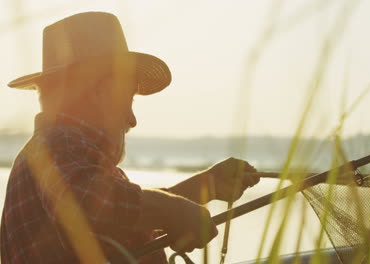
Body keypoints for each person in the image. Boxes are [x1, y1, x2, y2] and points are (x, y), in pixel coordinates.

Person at [0, 12, 259, 263]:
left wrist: (205, 186)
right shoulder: (58, 142)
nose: (132, 120)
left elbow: (120, 212)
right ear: (98, 91)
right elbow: (86, 204)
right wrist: (171, 209)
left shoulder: (61, 151)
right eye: (128, 99)